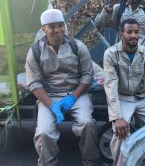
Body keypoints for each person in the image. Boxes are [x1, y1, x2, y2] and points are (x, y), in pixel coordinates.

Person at [25, 9, 100, 166]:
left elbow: (87, 75)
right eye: (52, 26)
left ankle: (90, 161)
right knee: (44, 133)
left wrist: (73, 96)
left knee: (87, 124)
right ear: (43, 29)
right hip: (49, 96)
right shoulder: (35, 51)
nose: (58, 30)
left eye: (61, 25)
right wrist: (52, 105)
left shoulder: (77, 47)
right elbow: (34, 82)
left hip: (77, 94)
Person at [103, 18, 145, 166]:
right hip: (122, 98)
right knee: (120, 132)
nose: (133, 35)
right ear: (121, 34)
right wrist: (117, 117)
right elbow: (110, 85)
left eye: (136, 32)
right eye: (129, 32)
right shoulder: (111, 54)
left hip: (141, 97)